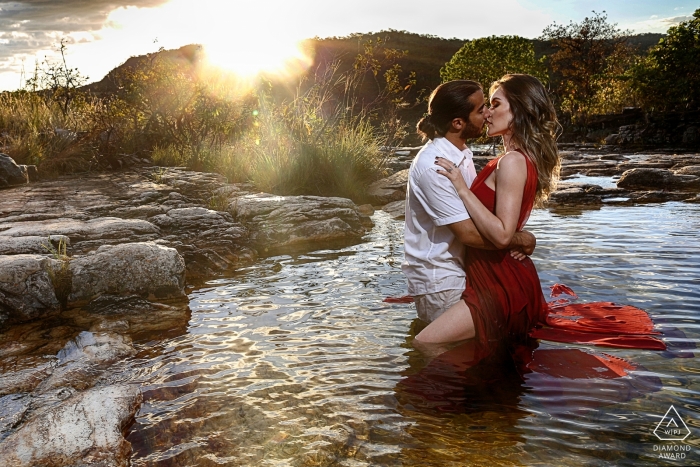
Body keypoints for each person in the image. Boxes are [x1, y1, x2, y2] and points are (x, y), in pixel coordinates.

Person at [414, 74, 560, 351]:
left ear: (517, 113)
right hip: (491, 274)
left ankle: (453, 394)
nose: (488, 113)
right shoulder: (511, 160)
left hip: (498, 280)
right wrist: (524, 238)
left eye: (495, 104)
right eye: (486, 106)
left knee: (425, 343)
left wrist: (462, 188)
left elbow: (503, 236)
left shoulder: (513, 162)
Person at [403, 80, 536, 325]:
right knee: (443, 356)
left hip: (462, 272)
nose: (488, 114)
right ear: (458, 123)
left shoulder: (461, 154)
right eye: (481, 109)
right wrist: (522, 239)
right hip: (440, 280)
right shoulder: (435, 166)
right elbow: (469, 234)